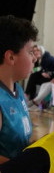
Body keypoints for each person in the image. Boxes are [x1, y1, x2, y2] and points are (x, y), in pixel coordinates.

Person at [0, 16, 37, 162]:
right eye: (30, 52)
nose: (34, 58)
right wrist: (23, 166)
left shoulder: (18, 91)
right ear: (11, 57)